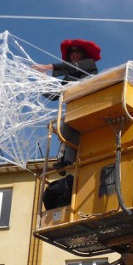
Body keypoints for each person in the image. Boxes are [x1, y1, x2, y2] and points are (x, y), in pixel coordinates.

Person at [32, 39, 101, 170]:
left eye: (77, 51)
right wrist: (42, 80)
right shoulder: (69, 79)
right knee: (65, 125)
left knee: (67, 123)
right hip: (75, 109)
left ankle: (66, 159)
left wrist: (48, 67)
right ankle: (65, 160)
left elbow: (73, 66)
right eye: (71, 52)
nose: (73, 54)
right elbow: (54, 95)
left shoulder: (89, 63)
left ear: (83, 54)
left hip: (90, 104)